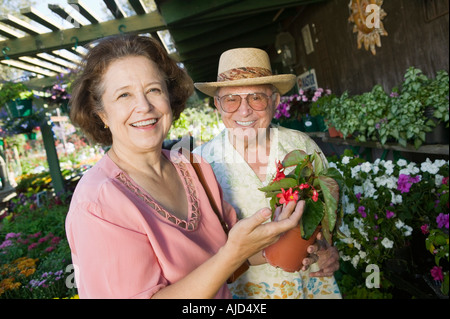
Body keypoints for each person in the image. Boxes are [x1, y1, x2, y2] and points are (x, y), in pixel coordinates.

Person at [65, 34, 304, 299]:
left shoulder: (192, 167)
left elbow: (238, 254)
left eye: (153, 90)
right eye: (124, 95)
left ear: (170, 97)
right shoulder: (99, 203)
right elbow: (231, 255)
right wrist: (232, 254)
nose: (144, 106)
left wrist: (293, 240)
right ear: (101, 113)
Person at [193, 48, 341, 299]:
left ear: (275, 101)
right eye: (231, 99)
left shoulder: (301, 146)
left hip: (312, 287)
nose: (244, 111)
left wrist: (329, 248)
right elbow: (199, 247)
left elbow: (330, 209)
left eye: (256, 98)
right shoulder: (199, 163)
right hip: (243, 294)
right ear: (217, 105)